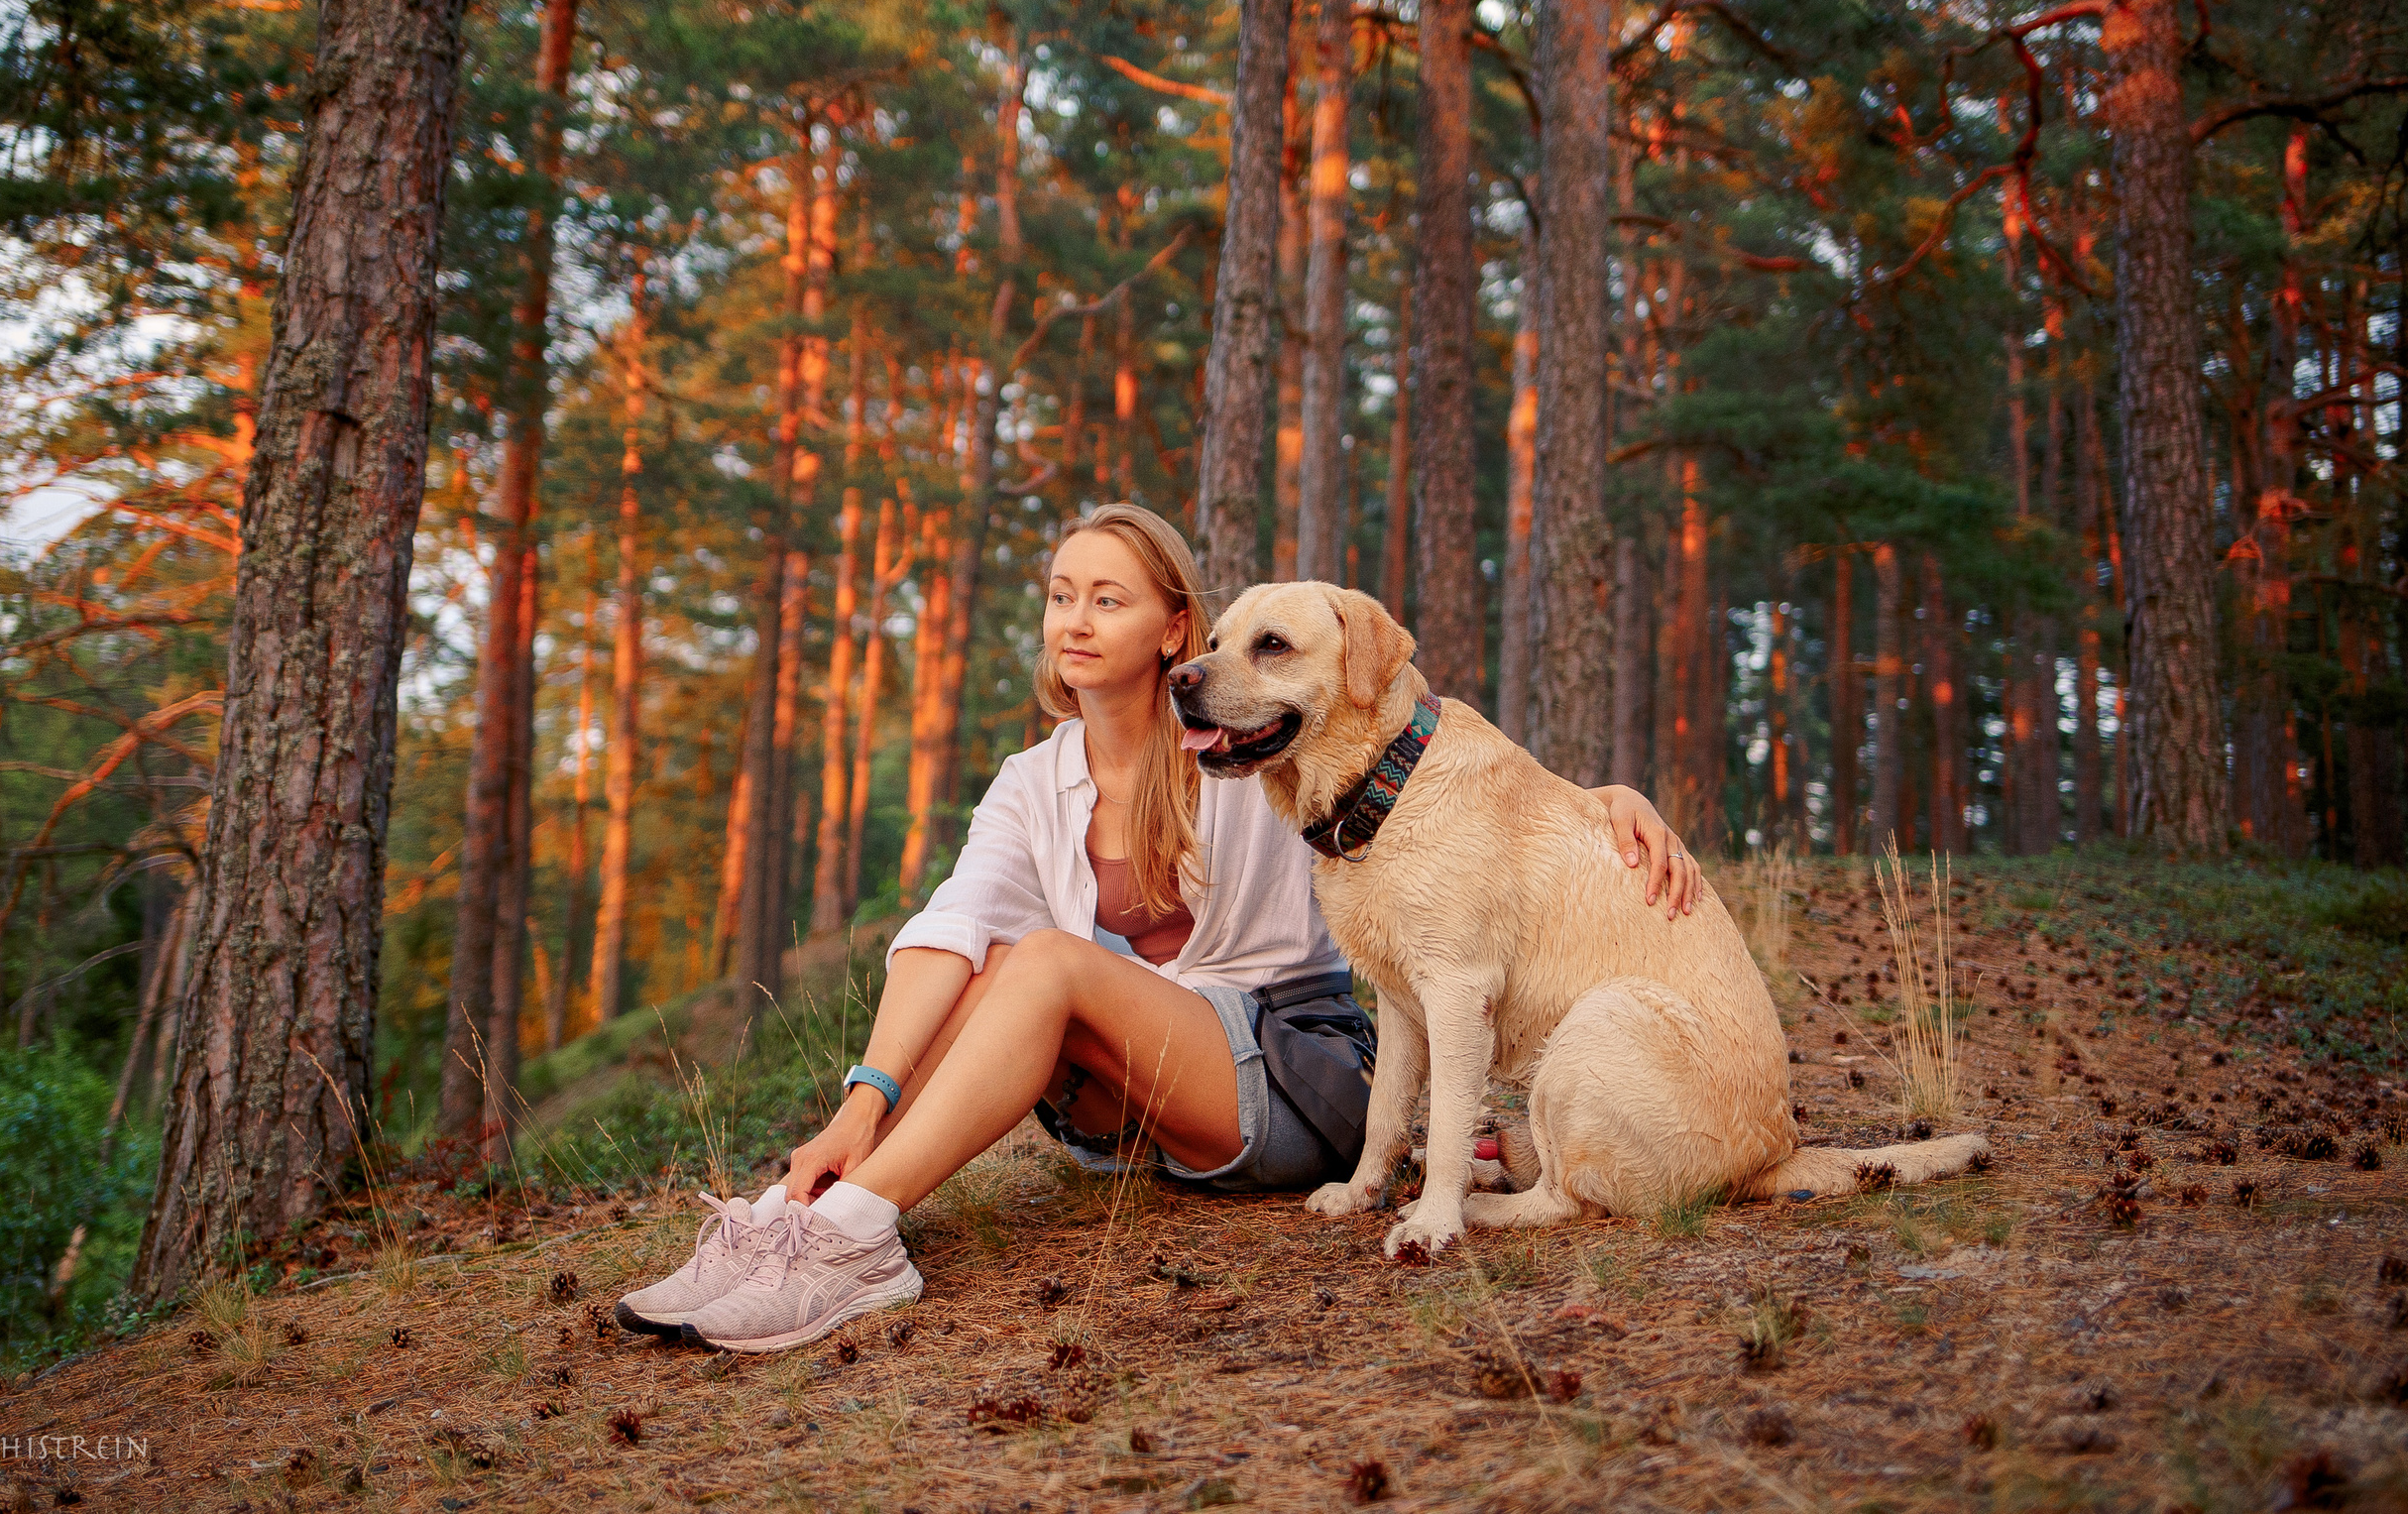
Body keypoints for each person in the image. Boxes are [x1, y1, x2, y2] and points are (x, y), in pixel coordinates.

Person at [614, 503, 1700, 1353]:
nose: (1075, 621)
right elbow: (943, 931)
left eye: (1109, 600)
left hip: (1291, 1072)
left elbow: (1429, 768)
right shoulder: (1031, 783)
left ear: (1175, 630)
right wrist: (865, 1101)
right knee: (985, 954)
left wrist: (1601, 800)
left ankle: (854, 1241)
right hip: (1146, 1098)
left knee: (1042, 961)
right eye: (1059, 597)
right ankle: (801, 1209)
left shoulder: (1253, 745)